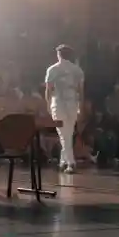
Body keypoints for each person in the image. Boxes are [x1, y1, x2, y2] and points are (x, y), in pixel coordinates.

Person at [45, 44, 84, 173]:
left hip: (58, 103)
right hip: (73, 103)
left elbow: (48, 90)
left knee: (63, 133)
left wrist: (48, 104)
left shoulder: (52, 69)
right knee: (68, 133)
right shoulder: (78, 70)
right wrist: (80, 106)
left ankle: (71, 163)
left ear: (59, 55)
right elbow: (81, 91)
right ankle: (63, 162)